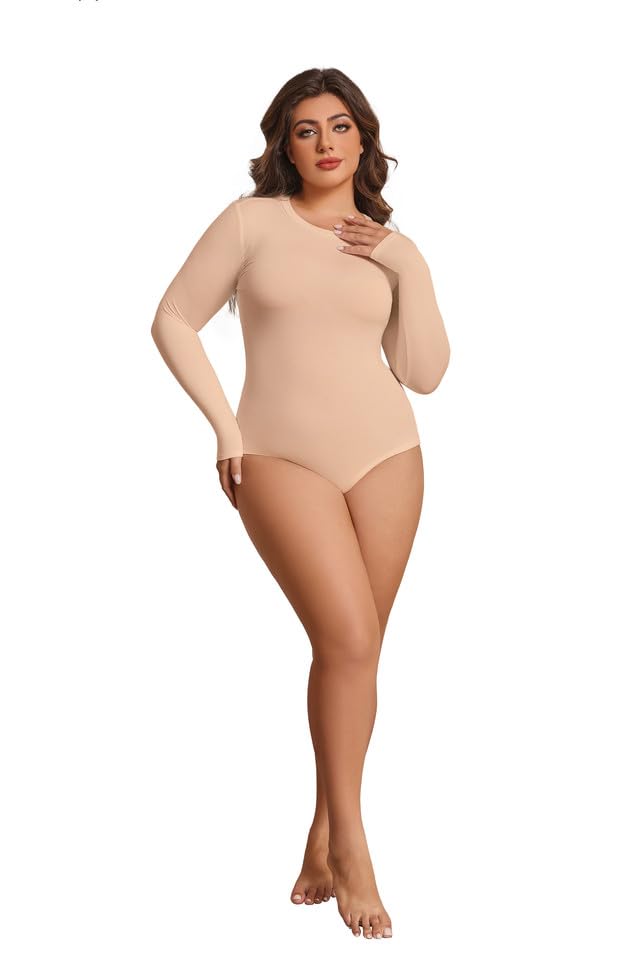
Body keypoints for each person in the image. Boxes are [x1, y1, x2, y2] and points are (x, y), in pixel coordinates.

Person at [150, 67, 450, 940]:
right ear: (284, 142)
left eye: (341, 126)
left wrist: (407, 262)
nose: (325, 143)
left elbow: (424, 374)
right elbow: (172, 318)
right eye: (306, 128)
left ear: (364, 139)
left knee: (355, 652)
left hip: (389, 456)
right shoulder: (251, 223)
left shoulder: (387, 245)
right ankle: (354, 846)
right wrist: (224, 428)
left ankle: (321, 836)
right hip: (276, 455)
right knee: (348, 640)